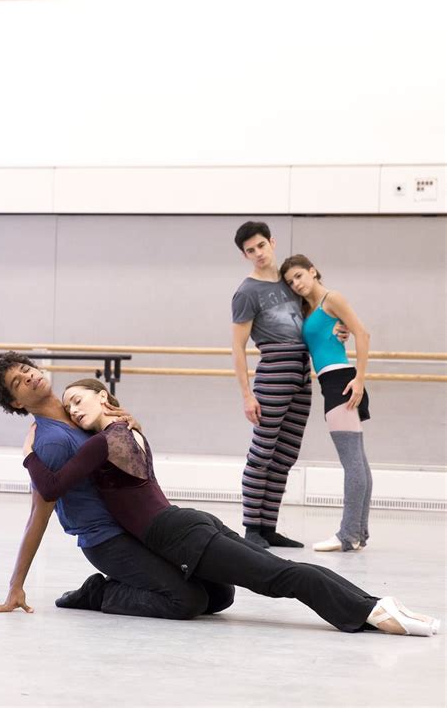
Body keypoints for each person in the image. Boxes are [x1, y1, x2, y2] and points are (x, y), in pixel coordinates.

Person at [23, 377, 439, 637]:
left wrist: (29, 453)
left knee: (278, 576)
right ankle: (375, 606)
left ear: (103, 396)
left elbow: (53, 485)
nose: (73, 409)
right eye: (69, 404)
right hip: (187, 525)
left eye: (79, 399)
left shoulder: (103, 441)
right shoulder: (129, 429)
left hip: (181, 535)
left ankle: (373, 609)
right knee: (234, 590)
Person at [0, 351, 235, 618]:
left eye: (26, 368)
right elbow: (38, 514)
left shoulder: (81, 415)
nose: (28, 376)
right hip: (106, 541)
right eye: (18, 382)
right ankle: (100, 593)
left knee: (220, 594)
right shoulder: (50, 441)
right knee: (188, 601)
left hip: (136, 525)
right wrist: (16, 585)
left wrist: (134, 424)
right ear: (16, 402)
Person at [231, 221, 348, 549]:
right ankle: (252, 528)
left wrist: (342, 330)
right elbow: (237, 347)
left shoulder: (289, 283)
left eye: (261, 246)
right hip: (273, 373)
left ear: (272, 243)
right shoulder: (246, 292)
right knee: (263, 452)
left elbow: (317, 318)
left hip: (300, 373)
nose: (258, 254)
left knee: (285, 455)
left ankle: (268, 527)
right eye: (250, 251)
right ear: (245, 255)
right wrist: (246, 394)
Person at [281, 255, 372, 552]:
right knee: (358, 460)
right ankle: (359, 533)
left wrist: (359, 379)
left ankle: (347, 535)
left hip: (341, 382)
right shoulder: (311, 309)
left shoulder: (332, 298)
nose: (297, 284)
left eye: (299, 276)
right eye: (291, 282)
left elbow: (362, 332)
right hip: (331, 381)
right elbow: (334, 334)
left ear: (312, 271)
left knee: (352, 462)